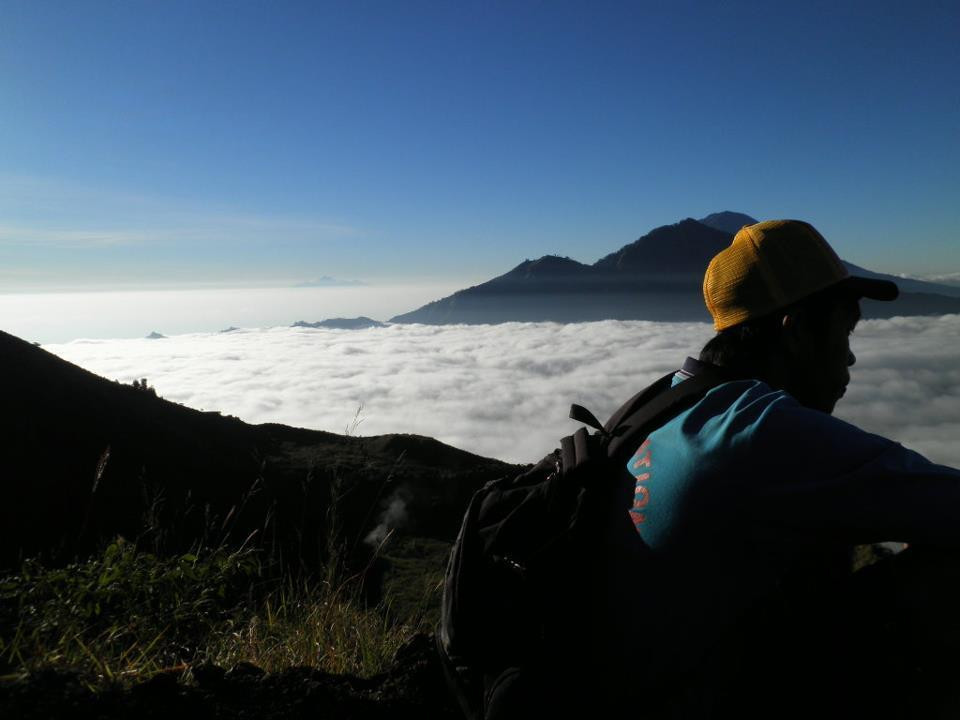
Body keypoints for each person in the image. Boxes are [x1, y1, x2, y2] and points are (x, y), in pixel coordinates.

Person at [616, 220, 960, 718]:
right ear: (795, 332)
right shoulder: (756, 430)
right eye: (844, 331)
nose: (851, 356)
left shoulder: (661, 402)